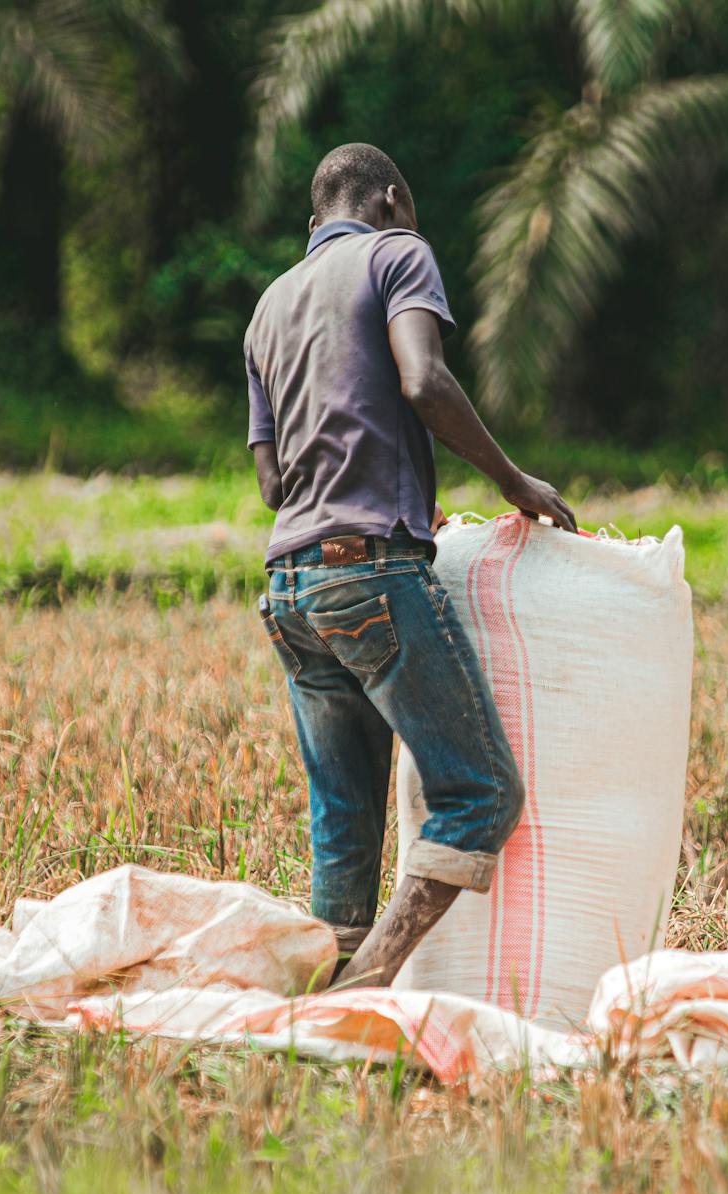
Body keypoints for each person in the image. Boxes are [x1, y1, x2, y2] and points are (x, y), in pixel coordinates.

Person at [244, 143, 577, 989]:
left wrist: (379, 476)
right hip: (370, 575)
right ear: (391, 198)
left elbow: (274, 480)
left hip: (288, 586)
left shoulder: (269, 307)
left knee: (343, 824)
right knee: (481, 794)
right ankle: (371, 983)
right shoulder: (398, 254)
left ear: (311, 219)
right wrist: (514, 481)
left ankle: (323, 999)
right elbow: (423, 380)